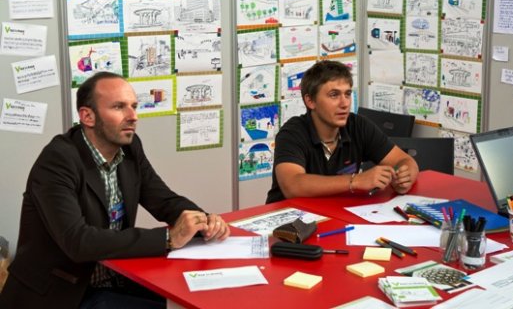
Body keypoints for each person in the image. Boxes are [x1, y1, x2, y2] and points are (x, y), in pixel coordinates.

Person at [0, 72, 230, 309]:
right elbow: (78, 241)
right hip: (64, 295)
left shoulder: (130, 147)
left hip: (114, 278)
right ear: (87, 116)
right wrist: (169, 238)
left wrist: (203, 220)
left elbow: (163, 199)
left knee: (197, 301)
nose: (133, 116)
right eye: (119, 107)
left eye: (134, 106)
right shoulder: (58, 160)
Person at [266, 60, 419, 203]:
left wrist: (404, 177)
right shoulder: (291, 133)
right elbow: (293, 186)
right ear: (310, 101)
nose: (345, 103)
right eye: (334, 95)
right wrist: (355, 181)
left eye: (347, 94)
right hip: (290, 224)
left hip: (336, 216)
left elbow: (405, 161)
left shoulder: (358, 125)